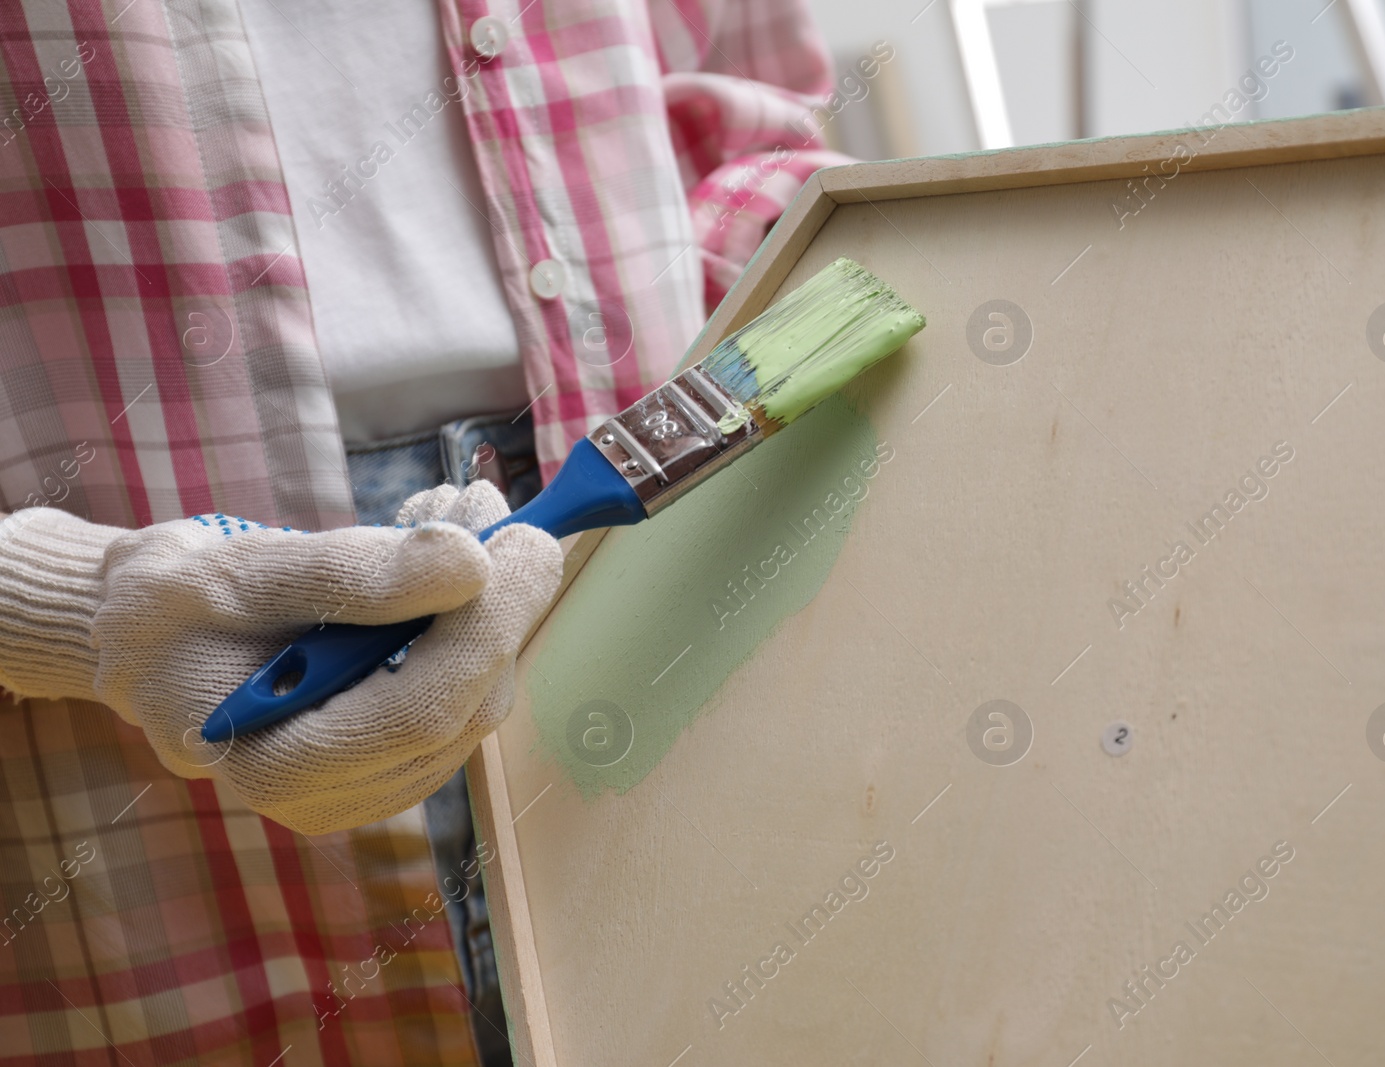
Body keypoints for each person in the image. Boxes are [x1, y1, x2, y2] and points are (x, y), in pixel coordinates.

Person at [0, 0, 848, 1061]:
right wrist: (68, 603)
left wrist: (748, 287)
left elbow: (760, 117)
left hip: (650, 535)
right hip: (140, 750)